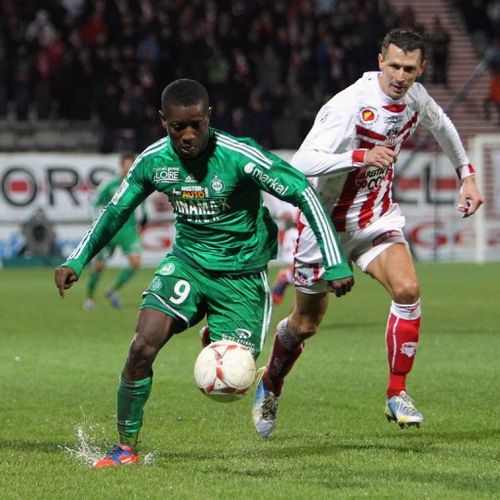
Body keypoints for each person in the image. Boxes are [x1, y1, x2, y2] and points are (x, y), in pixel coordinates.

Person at [54, 79, 354, 467]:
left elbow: (303, 192)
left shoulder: (239, 156)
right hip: (188, 264)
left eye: (197, 124)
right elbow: (116, 211)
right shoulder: (154, 161)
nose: (189, 135)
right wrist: (76, 259)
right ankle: (126, 447)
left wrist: (334, 259)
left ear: (209, 117)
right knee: (142, 346)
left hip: (241, 277)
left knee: (232, 383)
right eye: (179, 127)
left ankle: (220, 337)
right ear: (164, 122)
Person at [252, 28, 484, 438]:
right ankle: (271, 383)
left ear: (421, 69)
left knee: (408, 290)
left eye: (409, 68)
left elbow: (442, 125)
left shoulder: (414, 96)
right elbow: (302, 161)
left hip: (374, 218)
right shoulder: (349, 105)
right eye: (393, 65)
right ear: (380, 61)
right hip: (322, 226)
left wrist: (466, 175)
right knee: (305, 324)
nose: (400, 75)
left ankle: (397, 392)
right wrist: (359, 155)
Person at [82, 152, 143, 310]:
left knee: (135, 262)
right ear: (121, 165)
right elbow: (94, 203)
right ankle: (89, 298)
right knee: (100, 265)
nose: (129, 167)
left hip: (128, 230)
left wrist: (144, 217)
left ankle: (113, 290)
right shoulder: (109, 184)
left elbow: (142, 205)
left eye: (132, 164)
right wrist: (97, 222)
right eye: (127, 164)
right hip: (110, 230)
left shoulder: (138, 183)